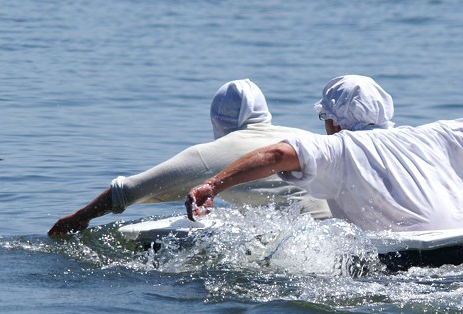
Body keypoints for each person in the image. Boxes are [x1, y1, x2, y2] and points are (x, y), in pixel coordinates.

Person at [186, 75, 463, 233]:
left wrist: (214, 184)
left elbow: (275, 154)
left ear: (331, 121)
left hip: (417, 265)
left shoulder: (334, 148)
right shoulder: (430, 136)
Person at [48, 79, 330, 237]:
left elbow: (128, 191)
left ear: (216, 121)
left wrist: (78, 218)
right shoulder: (303, 138)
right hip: (342, 238)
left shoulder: (211, 155)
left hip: (301, 247)